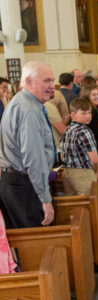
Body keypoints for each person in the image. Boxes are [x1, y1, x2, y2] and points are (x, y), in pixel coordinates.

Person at [0, 61, 56, 228]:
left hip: (17, 183)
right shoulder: (28, 111)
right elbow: (33, 160)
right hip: (24, 185)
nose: (52, 86)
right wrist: (45, 199)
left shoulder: (22, 102)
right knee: (39, 242)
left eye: (53, 80)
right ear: (29, 82)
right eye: (47, 81)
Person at [60, 97, 98, 195]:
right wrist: (95, 172)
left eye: (89, 112)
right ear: (73, 115)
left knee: (75, 207)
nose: (88, 116)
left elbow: (62, 155)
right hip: (83, 173)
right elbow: (94, 159)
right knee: (92, 204)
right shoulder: (84, 131)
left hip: (67, 173)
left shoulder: (67, 129)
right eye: (83, 113)